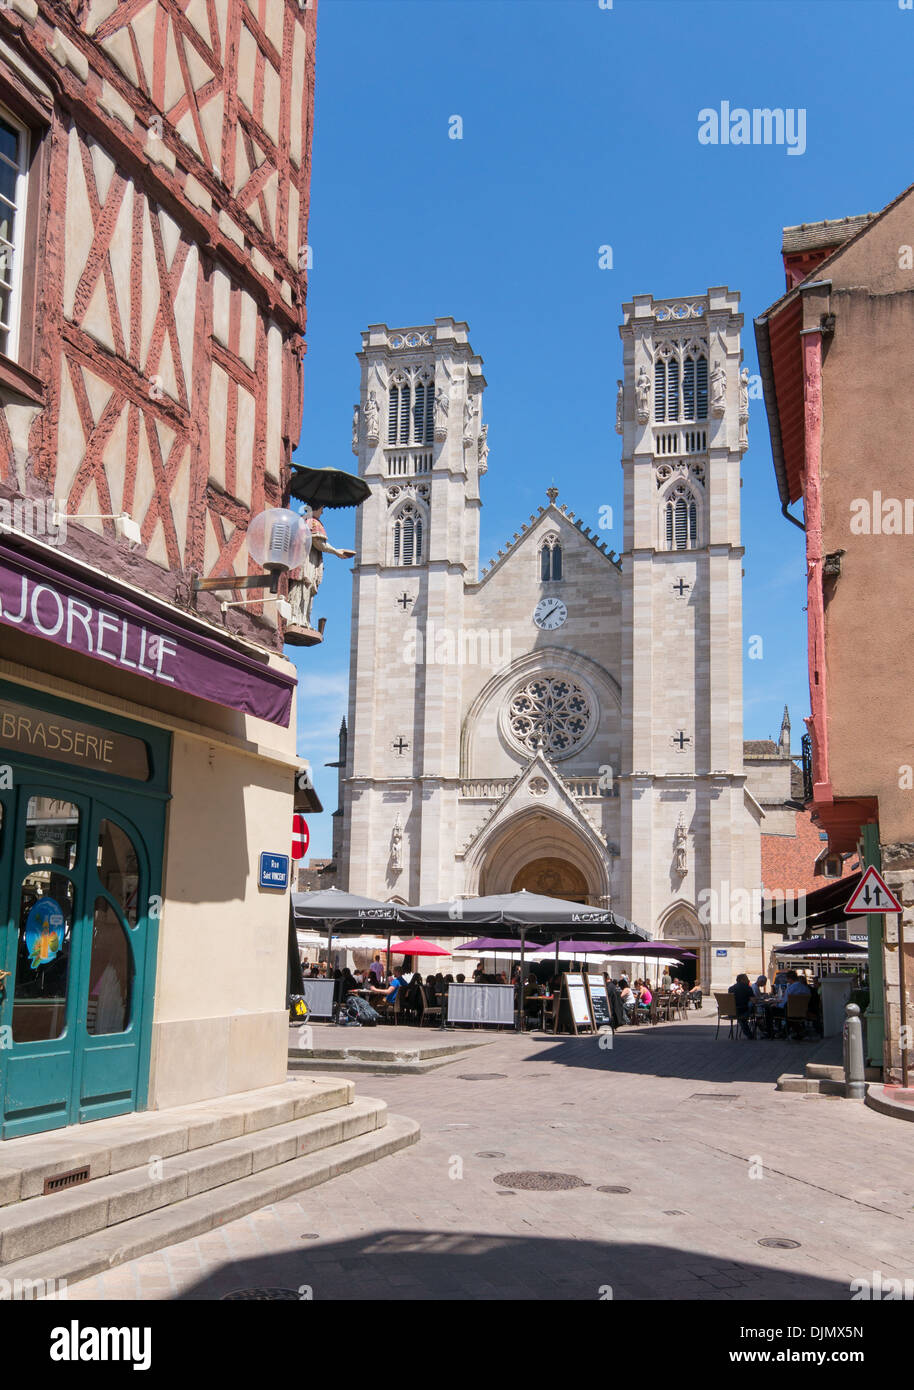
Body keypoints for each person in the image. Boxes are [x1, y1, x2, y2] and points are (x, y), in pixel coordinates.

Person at [728, 972, 755, 1038]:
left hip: (732, 1012)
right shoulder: (748, 988)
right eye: (746, 979)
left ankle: (748, 1033)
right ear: (742, 980)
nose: (748, 980)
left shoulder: (731, 988)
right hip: (743, 1010)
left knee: (741, 1018)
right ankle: (750, 1034)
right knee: (751, 1006)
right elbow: (754, 1000)